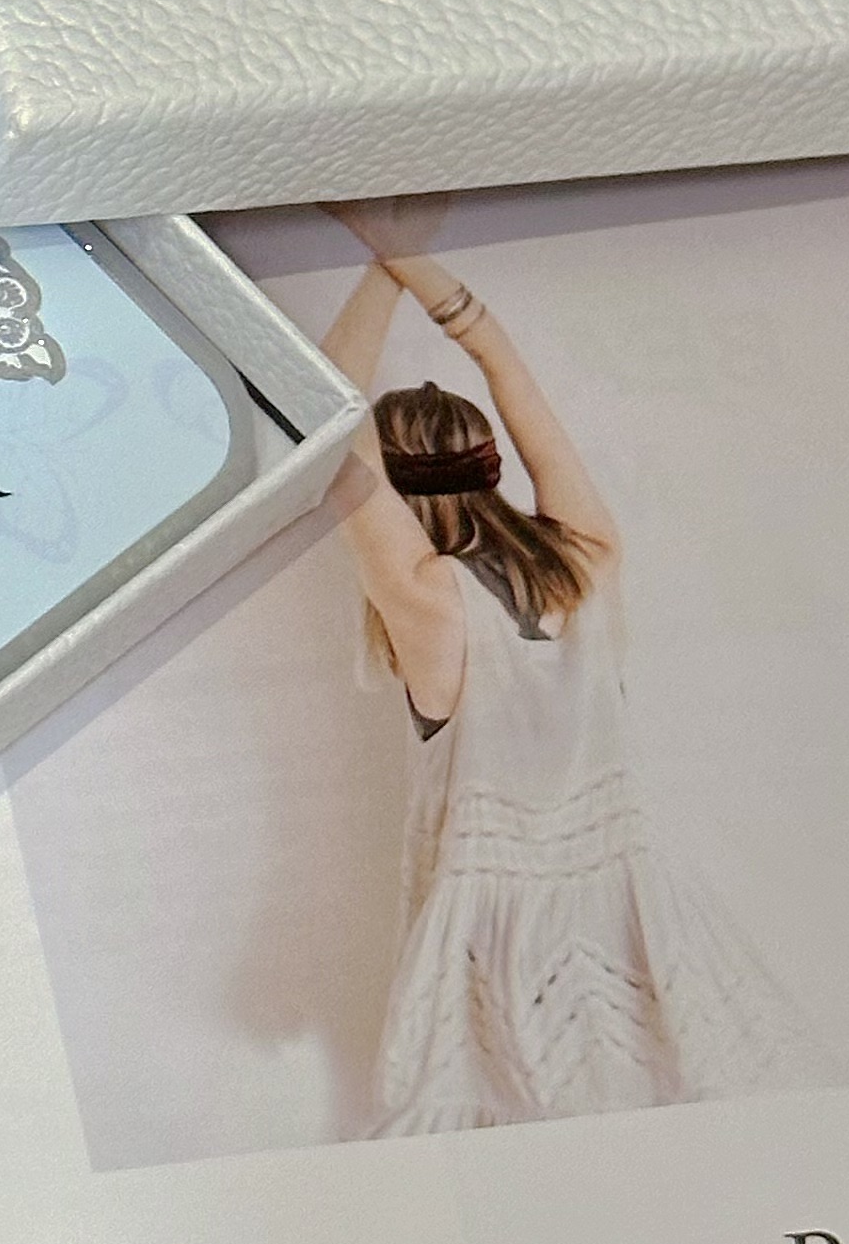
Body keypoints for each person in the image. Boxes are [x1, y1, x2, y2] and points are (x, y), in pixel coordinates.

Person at [315, 197, 819, 1134]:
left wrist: (380, 260)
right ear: (490, 463)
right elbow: (510, 371)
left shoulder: (424, 600)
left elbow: (317, 412)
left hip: (489, 967)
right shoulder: (589, 557)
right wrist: (404, 253)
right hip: (640, 938)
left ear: (392, 485)